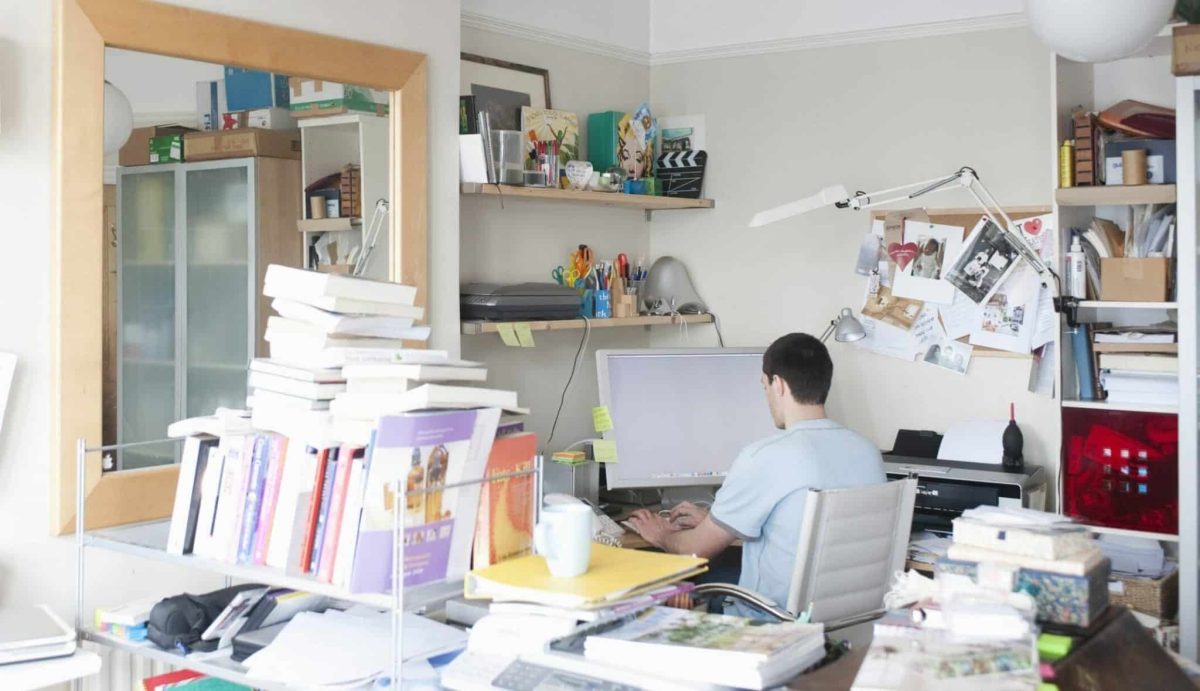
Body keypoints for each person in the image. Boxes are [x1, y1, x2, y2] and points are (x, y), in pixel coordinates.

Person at [626, 333, 886, 617]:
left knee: (672, 588)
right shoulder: (867, 451)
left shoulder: (766, 456)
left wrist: (661, 534)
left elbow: (693, 551)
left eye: (764, 386)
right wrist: (719, 522)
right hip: (846, 624)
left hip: (772, 625)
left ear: (778, 385)